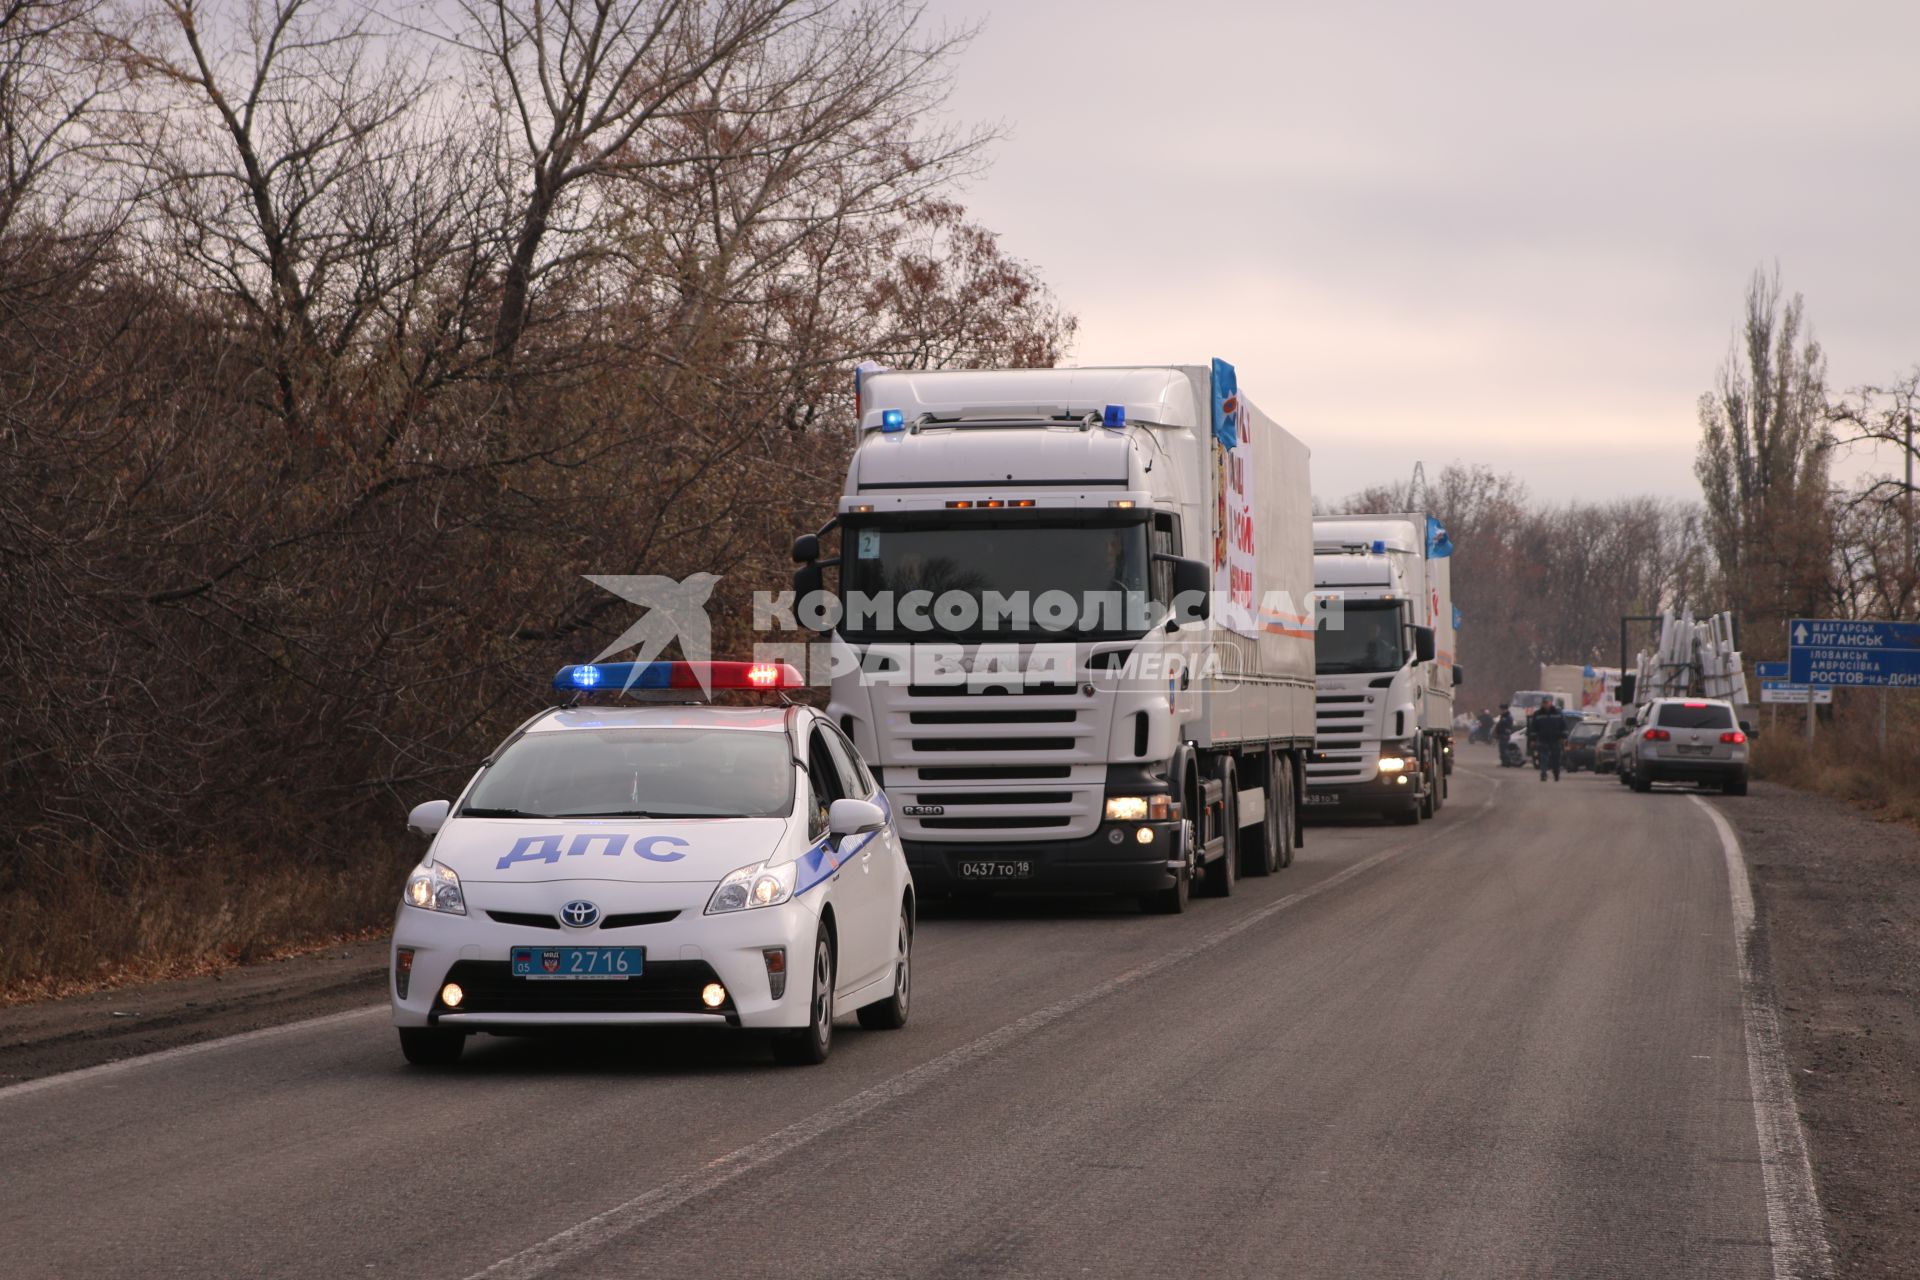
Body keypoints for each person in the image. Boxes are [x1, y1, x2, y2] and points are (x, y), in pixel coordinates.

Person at [1528, 696, 1568, 781]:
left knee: (1556, 758)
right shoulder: (1538, 714)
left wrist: (1563, 737)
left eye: (1547, 703)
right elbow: (1534, 728)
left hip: (1555, 739)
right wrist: (1533, 739)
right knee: (1543, 758)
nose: (1545, 704)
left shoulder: (1558, 713)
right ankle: (1543, 774)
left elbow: (1563, 726)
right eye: (1544, 703)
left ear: (1551, 703)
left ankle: (1556, 774)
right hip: (1543, 739)